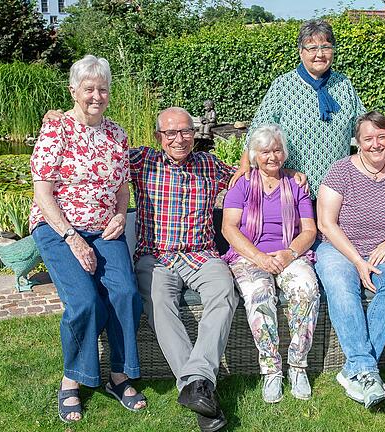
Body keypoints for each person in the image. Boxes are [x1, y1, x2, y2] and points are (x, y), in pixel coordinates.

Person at [29, 55, 146, 423]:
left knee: (126, 293)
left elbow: (122, 187)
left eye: (103, 88)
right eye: (89, 88)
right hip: (58, 229)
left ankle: (118, 375)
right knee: (84, 302)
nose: (97, 95)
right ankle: (71, 381)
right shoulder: (56, 130)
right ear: (74, 91)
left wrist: (117, 215)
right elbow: (43, 193)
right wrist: (72, 238)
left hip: (105, 226)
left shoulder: (117, 133)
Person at [131, 107, 238, 432]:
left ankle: (196, 383)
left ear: (195, 133)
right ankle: (200, 389)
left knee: (225, 290)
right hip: (157, 257)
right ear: (158, 137)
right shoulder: (142, 161)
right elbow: (97, 148)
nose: (180, 139)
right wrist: (63, 119)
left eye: (186, 131)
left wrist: (292, 175)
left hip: (201, 255)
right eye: (171, 133)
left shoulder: (208, 164)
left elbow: (248, 176)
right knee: (160, 303)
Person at [315, 111, 385, 409]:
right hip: (340, 248)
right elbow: (326, 223)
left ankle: (357, 370)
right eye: (368, 139)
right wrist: (358, 262)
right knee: (340, 284)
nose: (376, 144)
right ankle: (365, 368)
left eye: (382, 137)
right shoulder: (341, 171)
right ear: (358, 142)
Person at [220, 124, 320, 404]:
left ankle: (298, 365)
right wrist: (259, 258)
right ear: (254, 155)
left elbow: (309, 230)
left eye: (277, 150)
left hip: (289, 254)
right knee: (258, 294)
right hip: (251, 256)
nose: (272, 156)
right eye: (265, 151)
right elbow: (229, 228)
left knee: (306, 289)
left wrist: (289, 254)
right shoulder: (242, 184)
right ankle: (271, 369)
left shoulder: (296, 185)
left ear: (284, 154)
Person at [231, 19, 367, 194]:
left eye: (326, 47)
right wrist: (245, 164)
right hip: (294, 186)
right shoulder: (283, 85)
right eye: (312, 48)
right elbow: (259, 128)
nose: (320, 54)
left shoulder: (343, 84)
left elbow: (364, 126)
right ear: (301, 52)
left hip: (337, 190)